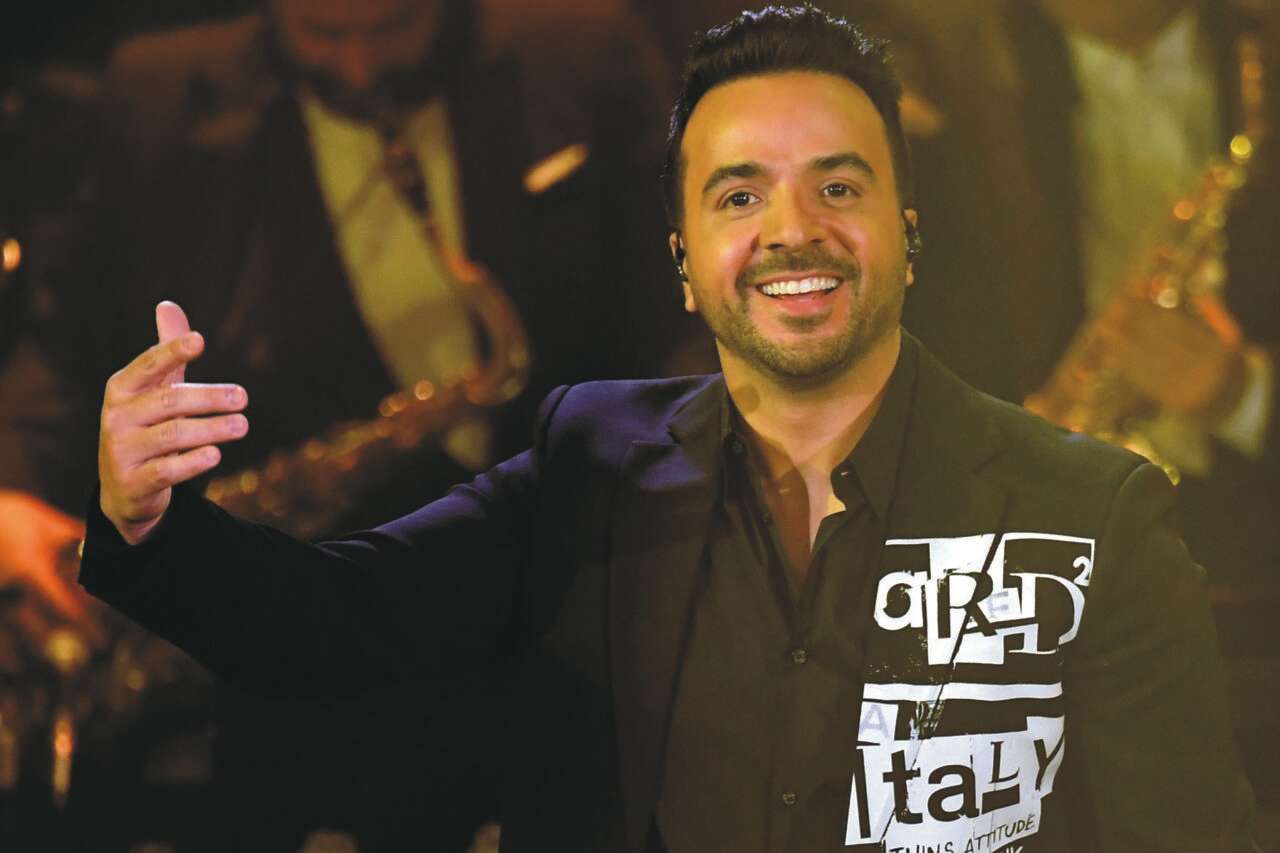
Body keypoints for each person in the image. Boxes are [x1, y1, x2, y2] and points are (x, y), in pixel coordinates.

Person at [82, 6, 1257, 851]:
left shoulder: (1091, 512)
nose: (791, 229)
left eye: (838, 186)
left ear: (907, 235)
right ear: (683, 263)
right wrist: (147, 514)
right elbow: (325, 622)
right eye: (739, 194)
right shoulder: (589, 464)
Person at [0, 0, 683, 847]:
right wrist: (10, 490)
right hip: (295, 640)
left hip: (563, 602)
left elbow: (679, 312)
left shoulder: (583, 50)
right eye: (324, 38)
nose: (358, 69)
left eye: (393, 31)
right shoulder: (156, 92)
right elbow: (66, 344)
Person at [862, 0, 1280, 815]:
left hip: (1250, 589)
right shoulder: (941, 72)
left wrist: (1245, 393)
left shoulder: (1259, 52)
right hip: (1023, 595)